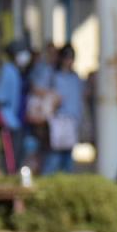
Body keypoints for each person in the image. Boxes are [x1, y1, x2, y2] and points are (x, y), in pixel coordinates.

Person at [43, 44, 84, 175]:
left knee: (68, 159)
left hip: (72, 121)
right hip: (58, 120)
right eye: (66, 57)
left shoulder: (76, 77)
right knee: (54, 158)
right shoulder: (53, 76)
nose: (69, 61)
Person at [0, 40, 30, 174]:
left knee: (17, 151)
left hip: (15, 120)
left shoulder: (16, 71)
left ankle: (13, 173)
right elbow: (0, 99)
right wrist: (4, 120)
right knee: (10, 155)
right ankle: (10, 175)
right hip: (8, 119)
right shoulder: (8, 70)